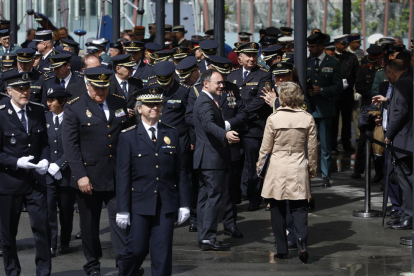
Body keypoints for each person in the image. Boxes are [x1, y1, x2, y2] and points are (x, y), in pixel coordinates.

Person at [62, 68, 130, 276]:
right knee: (89, 226)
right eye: (96, 88)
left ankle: (124, 264)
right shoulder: (75, 107)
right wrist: (80, 175)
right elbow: (71, 146)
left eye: (104, 88)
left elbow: (127, 134)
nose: (101, 92)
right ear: (87, 85)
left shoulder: (119, 102)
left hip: (117, 174)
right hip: (89, 176)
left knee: (121, 222)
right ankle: (92, 264)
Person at [116, 87, 190, 276]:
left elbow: (180, 171)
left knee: (162, 252)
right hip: (139, 202)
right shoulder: (128, 136)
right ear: (139, 108)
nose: (154, 108)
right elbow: (123, 175)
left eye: (157, 104)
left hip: (166, 203)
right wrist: (123, 208)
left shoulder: (171, 133)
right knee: (136, 248)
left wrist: (184, 204)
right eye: (149, 105)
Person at [256, 81, 317, 264]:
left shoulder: (273, 118)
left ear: (281, 97)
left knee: (277, 208)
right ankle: (302, 242)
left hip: (277, 166)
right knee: (299, 208)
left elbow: (265, 148)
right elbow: (312, 149)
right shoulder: (307, 118)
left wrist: (260, 167)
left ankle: (281, 249)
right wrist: (312, 169)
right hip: (298, 164)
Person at [0, 72, 52, 276]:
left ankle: (44, 272)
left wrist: (46, 159)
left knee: (42, 229)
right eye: (19, 89)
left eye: (27, 88)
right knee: (8, 233)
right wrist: (15, 162)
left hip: (35, 182)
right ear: (8, 91)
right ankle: (12, 271)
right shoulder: (1, 114)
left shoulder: (37, 111)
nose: (24, 92)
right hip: (9, 181)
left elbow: (45, 143)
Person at [193, 69, 240, 251]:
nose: (222, 86)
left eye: (222, 82)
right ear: (206, 84)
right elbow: (208, 124)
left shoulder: (208, 99)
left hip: (207, 158)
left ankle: (205, 236)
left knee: (205, 198)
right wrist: (225, 134)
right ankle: (209, 237)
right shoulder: (205, 102)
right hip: (211, 158)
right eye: (218, 83)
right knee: (213, 198)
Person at [227, 42, 272, 211]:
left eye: (254, 55)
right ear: (240, 57)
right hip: (236, 127)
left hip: (254, 126)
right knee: (234, 163)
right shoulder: (233, 75)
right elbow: (230, 99)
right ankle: (237, 195)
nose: (252, 58)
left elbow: (261, 99)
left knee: (254, 164)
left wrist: (242, 114)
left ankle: (254, 197)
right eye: (248, 55)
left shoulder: (263, 75)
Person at [372, 59, 413, 231]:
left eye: (387, 74)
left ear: (390, 71)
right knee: (403, 179)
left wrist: (389, 135)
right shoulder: (407, 82)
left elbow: (401, 111)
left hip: (404, 139)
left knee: (405, 179)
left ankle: (409, 217)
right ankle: (406, 213)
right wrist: (387, 100)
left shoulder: (403, 84)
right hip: (405, 139)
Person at [306, 32, 342, 187]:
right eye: (309, 46)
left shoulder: (333, 62)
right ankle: (307, 173)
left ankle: (326, 175)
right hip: (308, 109)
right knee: (307, 144)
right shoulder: (305, 62)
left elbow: (338, 86)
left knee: (325, 145)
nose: (310, 49)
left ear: (321, 46)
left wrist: (322, 90)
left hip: (325, 107)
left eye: (313, 47)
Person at [44, 85, 75, 256]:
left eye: (52, 100)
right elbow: (42, 144)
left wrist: (61, 164)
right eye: (47, 100)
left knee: (66, 211)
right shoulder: (44, 118)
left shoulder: (71, 118)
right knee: (49, 210)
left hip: (67, 173)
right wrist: (48, 164)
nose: (48, 104)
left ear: (62, 101)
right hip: (48, 173)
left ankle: (64, 241)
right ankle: (51, 243)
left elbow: (74, 145)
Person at [331, 35, 359, 153]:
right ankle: (333, 143)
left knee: (347, 120)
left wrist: (356, 90)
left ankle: (346, 142)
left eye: (346, 44)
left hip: (347, 93)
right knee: (334, 119)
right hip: (334, 93)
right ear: (337, 44)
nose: (345, 46)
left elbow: (356, 74)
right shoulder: (331, 57)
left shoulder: (351, 58)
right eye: (342, 44)